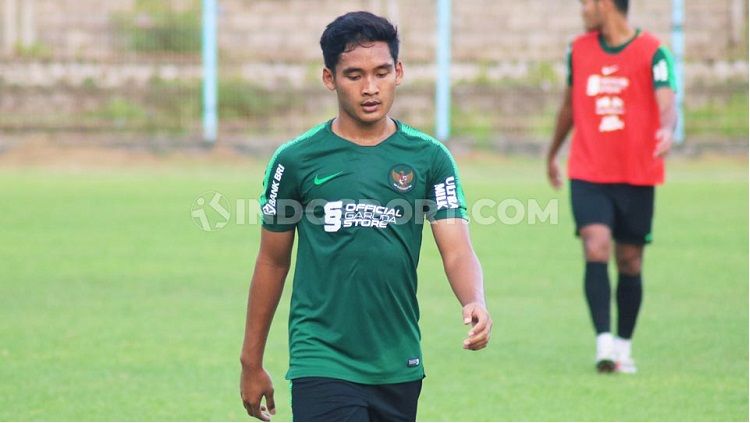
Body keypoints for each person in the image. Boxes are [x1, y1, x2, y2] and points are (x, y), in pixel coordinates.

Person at [239, 11, 492, 421]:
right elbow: (272, 260)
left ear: (399, 71)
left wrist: (474, 300)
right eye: (354, 75)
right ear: (329, 79)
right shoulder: (295, 161)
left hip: (398, 359)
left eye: (381, 72)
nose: (370, 88)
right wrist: (251, 362)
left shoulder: (429, 158)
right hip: (320, 355)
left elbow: (457, 249)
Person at [546, 0, 677, 373]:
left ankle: (623, 346)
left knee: (630, 259)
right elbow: (569, 107)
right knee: (596, 244)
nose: (582, 9)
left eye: (586, 2)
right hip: (588, 172)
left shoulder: (654, 51)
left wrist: (667, 128)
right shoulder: (579, 50)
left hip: (637, 174)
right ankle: (603, 343)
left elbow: (668, 101)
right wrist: (553, 152)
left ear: (605, 4)